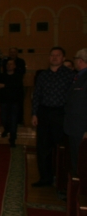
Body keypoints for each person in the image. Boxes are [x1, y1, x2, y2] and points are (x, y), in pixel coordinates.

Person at [31, 46, 75, 187]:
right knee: (43, 148)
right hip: (44, 113)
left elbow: (73, 98)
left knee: (62, 148)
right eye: (52, 55)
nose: (54, 57)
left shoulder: (70, 75)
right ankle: (45, 178)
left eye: (58, 55)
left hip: (61, 114)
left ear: (63, 58)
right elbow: (36, 95)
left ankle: (62, 180)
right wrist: (34, 113)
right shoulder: (43, 75)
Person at [64, 48, 87, 176]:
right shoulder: (78, 76)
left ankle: (79, 191)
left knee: (80, 162)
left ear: (80, 61)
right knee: (75, 160)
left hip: (81, 129)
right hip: (74, 127)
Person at [0, 59, 24, 147]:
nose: (9, 65)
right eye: (8, 64)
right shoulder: (2, 76)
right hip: (4, 101)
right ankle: (6, 129)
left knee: (13, 120)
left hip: (14, 102)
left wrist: (5, 86)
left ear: (14, 66)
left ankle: (12, 139)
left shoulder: (17, 76)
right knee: (4, 118)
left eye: (11, 64)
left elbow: (17, 87)